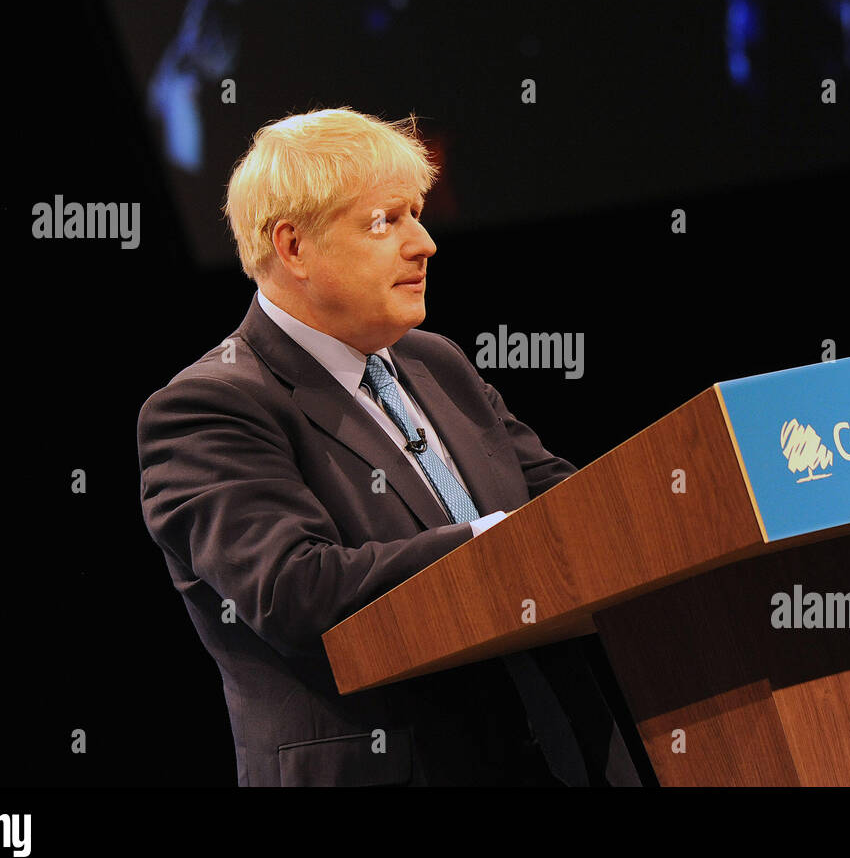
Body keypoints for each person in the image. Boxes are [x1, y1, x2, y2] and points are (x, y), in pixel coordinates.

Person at [136, 107, 641, 786]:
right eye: (386, 221)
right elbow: (296, 590)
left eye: (417, 214)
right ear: (293, 247)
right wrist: (493, 546)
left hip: (566, 758)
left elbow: (567, 503)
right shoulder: (210, 407)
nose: (424, 243)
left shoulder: (439, 364)